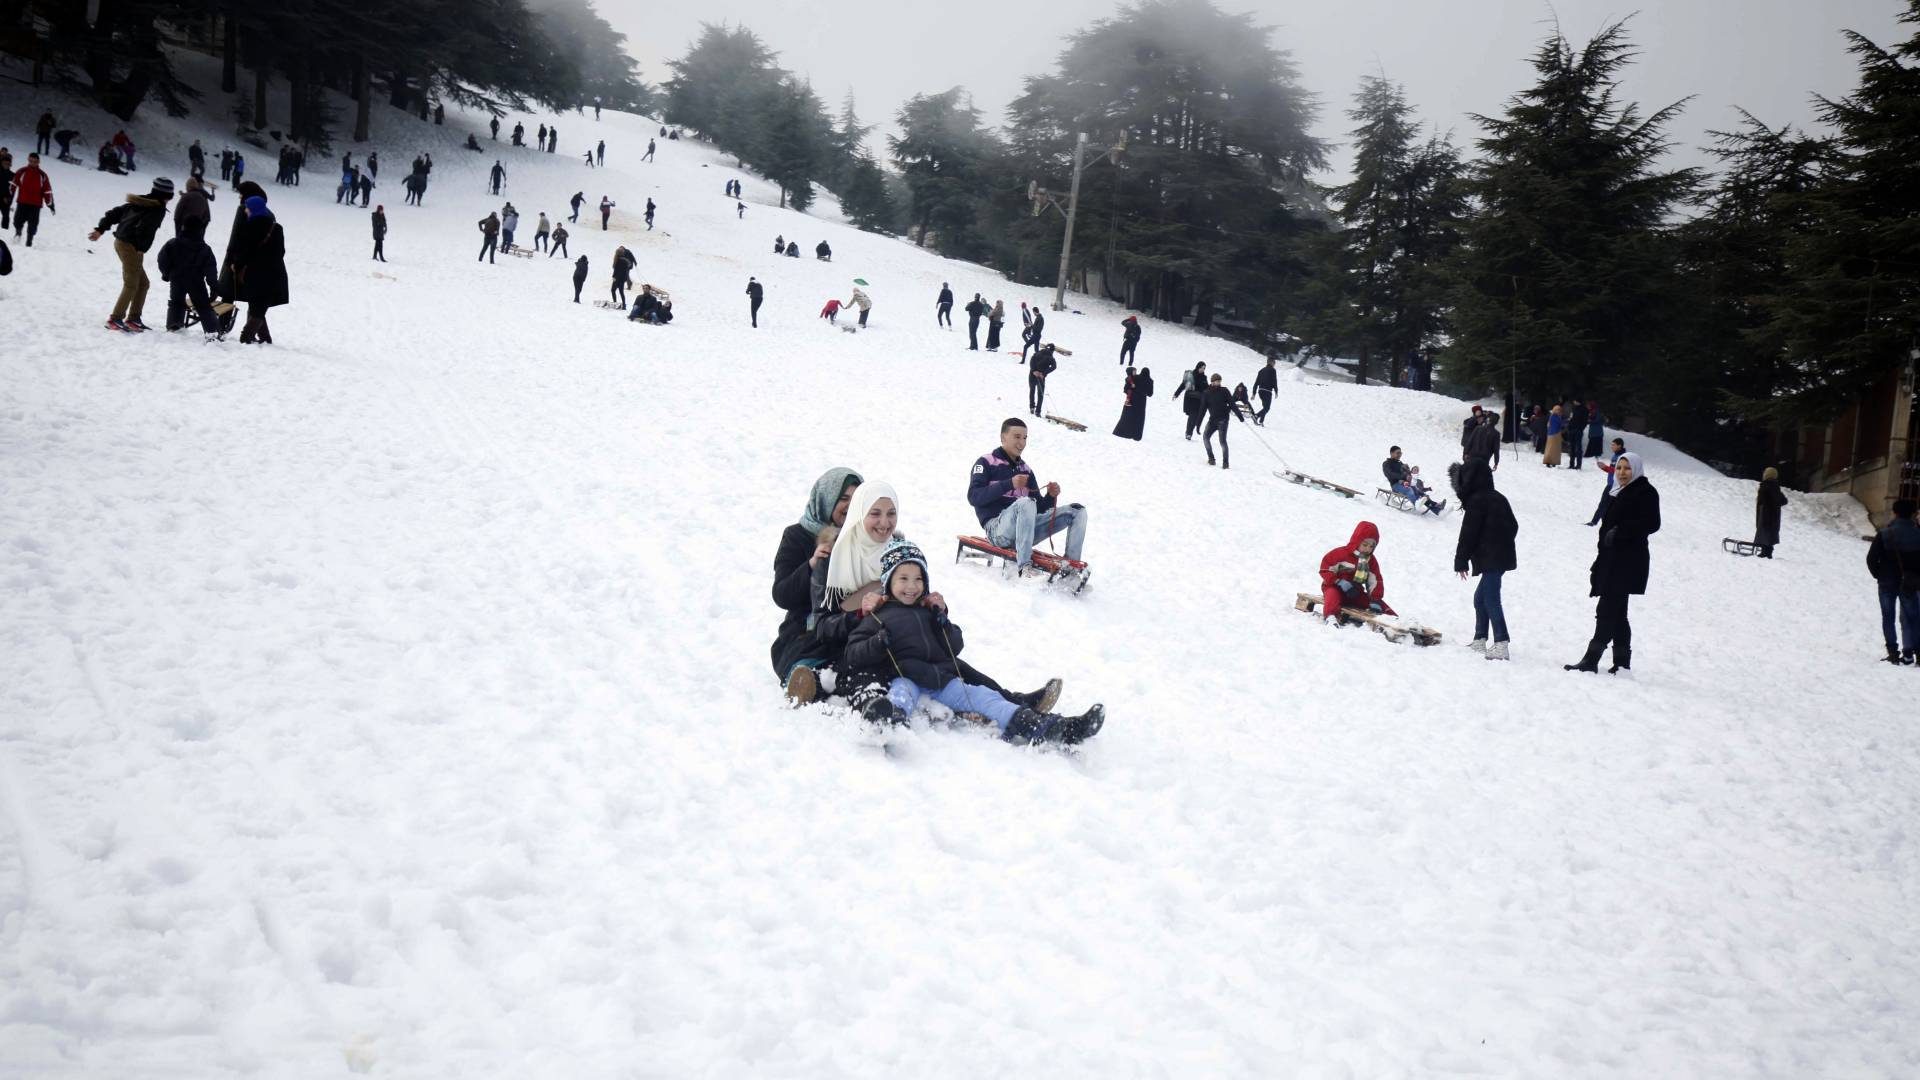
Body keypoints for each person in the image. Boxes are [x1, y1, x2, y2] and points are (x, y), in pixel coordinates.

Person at [789, 476, 1061, 712]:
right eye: (875, 513)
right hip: (858, 647)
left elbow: (916, 597)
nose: (884, 523)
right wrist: (859, 615)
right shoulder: (833, 559)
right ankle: (843, 698)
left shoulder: (898, 551)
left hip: (899, 641)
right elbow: (822, 627)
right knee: (862, 676)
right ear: (859, 514)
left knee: (952, 665)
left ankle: (1014, 700)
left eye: (891, 513)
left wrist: (936, 608)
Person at [844, 540, 1104, 743]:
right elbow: (853, 653)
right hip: (904, 677)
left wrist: (943, 622)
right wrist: (877, 642)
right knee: (899, 699)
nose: (912, 586)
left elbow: (955, 647)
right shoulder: (878, 615)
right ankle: (887, 726)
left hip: (941, 678)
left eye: (918, 579)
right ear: (888, 581)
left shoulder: (928, 611)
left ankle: (1050, 727)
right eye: (903, 579)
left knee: (985, 697)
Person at [1566, 452, 1659, 674]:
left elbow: (1652, 523)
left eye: (1627, 468)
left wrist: (1621, 531)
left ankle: (1591, 659)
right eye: (1618, 468)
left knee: (1607, 609)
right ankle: (1622, 662)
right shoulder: (1618, 491)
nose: (1622, 472)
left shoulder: (1645, 491)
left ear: (1636, 469)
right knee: (1618, 613)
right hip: (1612, 559)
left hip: (1627, 562)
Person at [967, 418, 1089, 577]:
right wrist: (1008, 484)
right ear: (1003, 438)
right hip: (996, 531)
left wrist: (1050, 496)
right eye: (1017, 437)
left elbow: (1038, 509)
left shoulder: (1026, 470)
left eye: (1024, 438)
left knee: (1077, 511)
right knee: (1025, 503)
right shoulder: (986, 462)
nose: (1022, 443)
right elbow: (974, 496)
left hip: (1026, 532)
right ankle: (1024, 567)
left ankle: (1071, 570)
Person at [1452, 458, 1518, 660]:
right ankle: (1480, 639)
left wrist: (1461, 561)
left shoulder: (1476, 500)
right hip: (1500, 556)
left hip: (1492, 557)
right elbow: (1513, 525)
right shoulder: (1499, 497)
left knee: (1490, 598)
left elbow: (1468, 534)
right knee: (1480, 598)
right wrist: (1502, 542)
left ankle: (1501, 643)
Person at [90, 176, 174, 332]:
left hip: (122, 243)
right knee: (131, 284)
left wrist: (100, 229)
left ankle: (134, 318)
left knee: (143, 283)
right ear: (165, 196)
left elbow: (114, 213)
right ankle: (115, 319)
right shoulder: (157, 209)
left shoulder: (139, 201)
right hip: (130, 246)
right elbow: (145, 229)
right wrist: (141, 246)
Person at [229, 195, 287, 345]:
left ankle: (246, 336)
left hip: (253, 273)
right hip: (273, 272)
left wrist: (237, 265)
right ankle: (264, 338)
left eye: (248, 208)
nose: (246, 211)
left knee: (256, 305)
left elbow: (244, 253)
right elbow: (281, 252)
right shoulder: (276, 228)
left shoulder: (247, 228)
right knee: (258, 305)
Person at [1868, 498, 1920, 664]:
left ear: (1895, 512)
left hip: (1886, 582)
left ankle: (1893, 653)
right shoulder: (1918, 534)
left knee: (1888, 617)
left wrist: (1879, 575)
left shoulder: (1885, 533)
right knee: (1914, 618)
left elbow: (1871, 559)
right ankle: (1918, 654)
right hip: (1910, 583)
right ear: (1913, 514)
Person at [1319, 521, 1394, 623]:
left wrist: (1375, 599)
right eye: (1365, 544)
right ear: (1357, 541)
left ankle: (1395, 620)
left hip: (1355, 593)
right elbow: (1325, 569)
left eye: (1371, 546)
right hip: (1335, 587)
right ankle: (1331, 617)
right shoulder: (1341, 554)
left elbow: (1375, 580)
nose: (1367, 549)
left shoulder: (1370, 561)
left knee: (1378, 604)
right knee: (1332, 596)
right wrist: (1339, 582)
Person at [155, 226, 220, 337]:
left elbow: (162, 260)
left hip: (177, 279)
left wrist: (166, 274)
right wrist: (214, 288)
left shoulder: (172, 244)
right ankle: (213, 332)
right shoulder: (205, 249)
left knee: (176, 302)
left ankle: (174, 327)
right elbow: (211, 271)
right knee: (203, 306)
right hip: (196, 282)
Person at [1382, 446, 1446, 514]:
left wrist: (1408, 473)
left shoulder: (1400, 463)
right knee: (1409, 489)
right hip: (1396, 485)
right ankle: (1416, 503)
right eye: (1398, 453)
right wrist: (1403, 476)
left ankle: (1436, 507)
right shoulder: (1387, 463)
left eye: (1400, 453)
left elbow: (1407, 475)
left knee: (1419, 492)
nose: (1399, 455)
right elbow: (1389, 474)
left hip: (1405, 484)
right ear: (1391, 453)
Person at [1200, 374, 1245, 468]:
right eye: (1217, 381)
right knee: (1205, 437)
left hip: (1223, 420)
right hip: (1212, 420)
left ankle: (1225, 463)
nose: (1219, 383)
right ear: (1212, 382)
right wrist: (1198, 423)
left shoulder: (1224, 391)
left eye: (1220, 381)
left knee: (1222, 441)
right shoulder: (1206, 393)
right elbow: (1202, 409)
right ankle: (1211, 458)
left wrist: (1239, 415)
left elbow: (1232, 404)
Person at [9, 152, 53, 247]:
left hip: (35, 205)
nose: (33, 163)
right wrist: (9, 197)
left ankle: (29, 241)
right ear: (28, 161)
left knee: (33, 225)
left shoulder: (42, 175)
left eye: (35, 162)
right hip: (22, 202)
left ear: (38, 162)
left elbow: (47, 191)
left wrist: (50, 204)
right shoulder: (21, 171)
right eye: (31, 161)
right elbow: (13, 185)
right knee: (17, 221)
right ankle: (18, 232)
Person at [1587, 438, 1627, 525]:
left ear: (1619, 446)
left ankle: (1595, 522)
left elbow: (1619, 471)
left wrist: (1605, 467)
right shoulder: (1615, 456)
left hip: (1616, 485)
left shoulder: (1623, 458)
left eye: (1613, 445)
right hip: (1610, 483)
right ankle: (1598, 522)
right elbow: (1612, 470)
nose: (1611, 446)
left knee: (1606, 505)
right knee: (1605, 504)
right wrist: (1603, 468)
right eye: (1611, 444)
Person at [1753, 467, 1789, 559]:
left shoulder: (1769, 485)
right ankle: (1766, 551)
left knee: (1765, 531)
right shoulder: (1772, 485)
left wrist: (1769, 505)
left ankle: (1766, 552)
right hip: (1769, 514)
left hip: (1767, 514)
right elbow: (1783, 500)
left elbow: (1782, 500)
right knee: (1767, 532)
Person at [1112, 367, 1154, 440]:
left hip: (1132, 399)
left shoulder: (1137, 378)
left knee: (1127, 416)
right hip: (1141, 402)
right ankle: (1136, 435)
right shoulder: (1150, 381)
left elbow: (1128, 380)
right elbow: (1150, 394)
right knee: (1139, 419)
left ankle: (1122, 432)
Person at [1028, 342, 1058, 417]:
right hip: (1041, 376)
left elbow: (1032, 360)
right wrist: (1043, 373)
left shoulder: (1038, 352)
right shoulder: (1051, 357)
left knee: (1032, 390)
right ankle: (1038, 412)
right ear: (1052, 351)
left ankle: (1032, 407)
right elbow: (1054, 366)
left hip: (1033, 374)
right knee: (1040, 394)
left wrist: (1034, 371)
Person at [1181, 363, 1208, 440]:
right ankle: (1189, 433)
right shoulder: (1191, 375)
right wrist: (1176, 394)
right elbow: (1183, 385)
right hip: (1191, 400)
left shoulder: (1204, 377)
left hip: (1199, 401)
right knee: (1192, 416)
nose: (1203, 369)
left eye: (1204, 368)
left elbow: (1206, 388)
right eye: (1202, 367)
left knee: (1195, 418)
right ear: (1198, 367)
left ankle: (1189, 432)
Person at [1253, 357, 1277, 425]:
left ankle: (1261, 421)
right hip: (1267, 391)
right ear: (1271, 362)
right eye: (1274, 362)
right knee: (1267, 408)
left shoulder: (1261, 371)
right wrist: (1276, 391)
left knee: (1265, 407)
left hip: (1260, 391)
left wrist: (1254, 393)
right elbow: (1274, 381)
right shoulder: (1273, 370)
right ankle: (1256, 416)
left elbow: (1256, 383)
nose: (1275, 364)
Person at [1567, 399, 1590, 469]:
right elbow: (1571, 418)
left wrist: (1580, 428)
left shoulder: (1584, 409)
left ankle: (1578, 465)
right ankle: (1571, 464)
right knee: (1572, 447)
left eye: (1575, 401)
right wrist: (1569, 426)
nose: (1574, 402)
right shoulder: (1574, 408)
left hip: (1578, 430)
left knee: (1578, 447)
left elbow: (1585, 421)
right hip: (1571, 429)